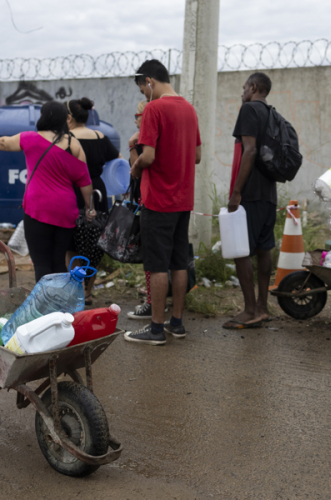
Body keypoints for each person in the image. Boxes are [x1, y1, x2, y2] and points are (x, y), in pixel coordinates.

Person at [124, 59, 201, 345]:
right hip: (183, 199)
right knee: (179, 262)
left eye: (144, 89)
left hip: (158, 199)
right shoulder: (189, 109)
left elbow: (150, 156)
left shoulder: (155, 108)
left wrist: (135, 164)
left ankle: (156, 329)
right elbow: (197, 157)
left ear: (150, 81)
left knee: (157, 265)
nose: (145, 95)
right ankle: (176, 323)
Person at [0, 101, 94, 282]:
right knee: (58, 261)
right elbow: (85, 182)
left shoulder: (30, 138)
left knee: (41, 263)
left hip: (38, 208)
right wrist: (89, 208)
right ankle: (60, 305)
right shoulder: (73, 144)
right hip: (65, 210)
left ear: (44, 116)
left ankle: (45, 307)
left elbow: (5, 142)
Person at [223, 72, 276, 330]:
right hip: (269, 193)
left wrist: (236, 192)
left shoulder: (249, 110)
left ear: (253, 87)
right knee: (264, 248)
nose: (242, 92)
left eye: (244, 87)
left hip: (250, 193)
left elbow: (250, 150)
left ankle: (250, 310)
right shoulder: (272, 113)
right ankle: (263, 308)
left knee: (241, 250)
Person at [65, 97, 122, 304]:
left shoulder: (67, 138)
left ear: (70, 117)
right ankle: (88, 292)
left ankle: (74, 290)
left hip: (72, 191)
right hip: (97, 191)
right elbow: (118, 161)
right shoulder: (100, 136)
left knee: (71, 245)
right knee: (94, 242)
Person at [127, 99, 156, 320]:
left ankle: (152, 302)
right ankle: (157, 299)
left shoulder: (141, 141)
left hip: (147, 201)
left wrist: (131, 146)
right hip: (148, 199)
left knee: (150, 255)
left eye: (138, 118)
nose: (136, 122)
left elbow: (135, 171)